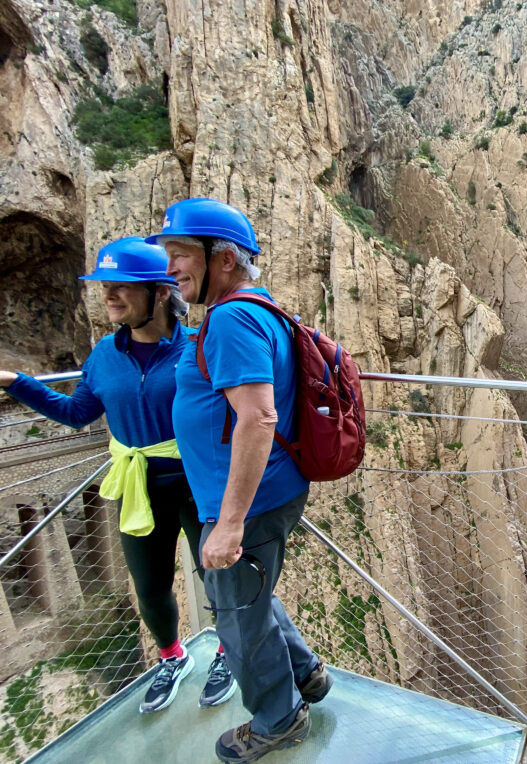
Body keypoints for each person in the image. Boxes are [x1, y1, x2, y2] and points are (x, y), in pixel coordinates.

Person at [0, 237, 236, 713]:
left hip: (197, 484)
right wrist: (16, 383)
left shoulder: (197, 346)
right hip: (138, 488)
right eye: (105, 287)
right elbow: (77, 412)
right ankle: (172, 657)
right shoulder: (104, 355)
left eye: (121, 287)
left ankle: (229, 653)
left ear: (160, 293)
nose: (108, 297)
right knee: (149, 588)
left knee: (219, 583)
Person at [150, 199, 332, 763]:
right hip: (263, 493)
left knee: (235, 615)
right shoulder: (256, 309)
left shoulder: (231, 319)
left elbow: (258, 417)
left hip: (248, 502)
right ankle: (307, 676)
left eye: (182, 254)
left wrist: (228, 525)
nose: (171, 267)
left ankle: (277, 720)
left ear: (223, 259)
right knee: (250, 594)